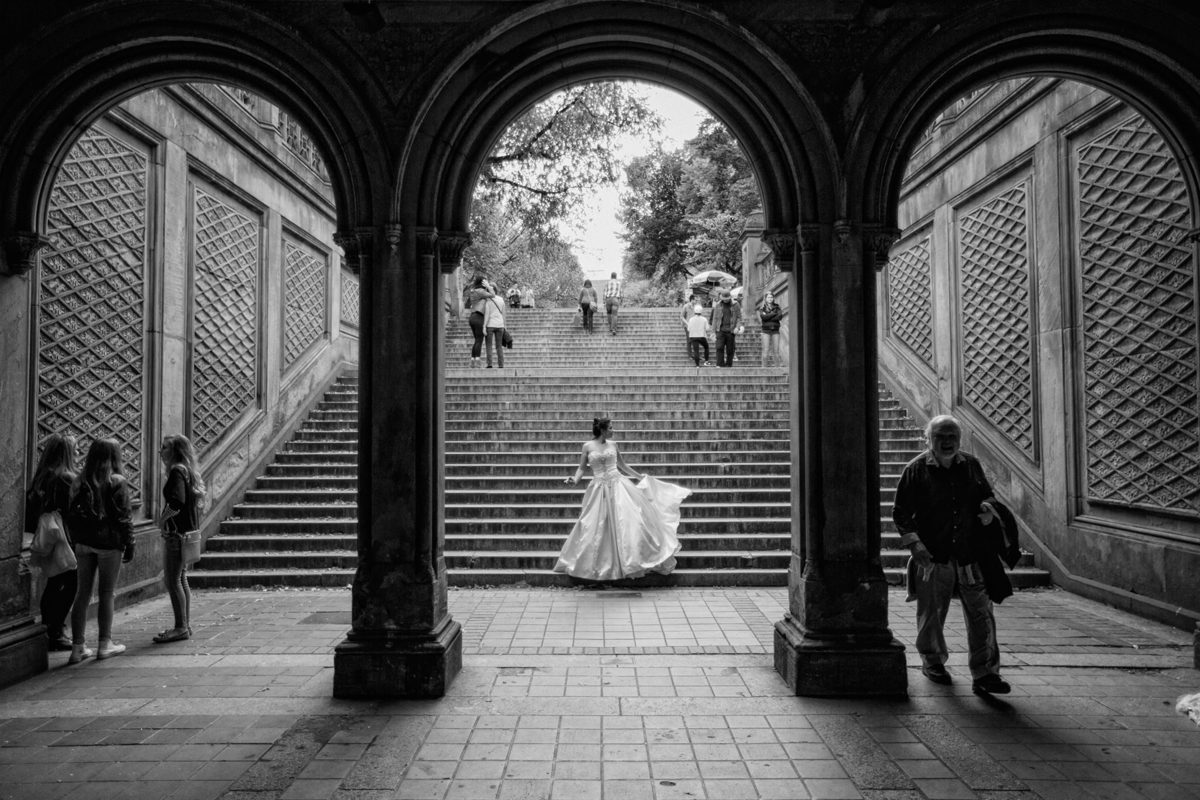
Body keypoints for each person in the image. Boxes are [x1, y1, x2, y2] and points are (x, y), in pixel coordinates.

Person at [892, 415, 1011, 695]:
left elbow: (988, 496)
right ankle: (932, 661)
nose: (947, 442)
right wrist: (914, 544)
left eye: (952, 437)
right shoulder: (916, 469)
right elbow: (900, 512)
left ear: (959, 439)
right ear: (928, 439)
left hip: (970, 553)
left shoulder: (971, 465)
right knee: (932, 612)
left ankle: (985, 673)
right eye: (940, 437)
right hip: (934, 555)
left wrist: (987, 509)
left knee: (982, 614)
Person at [555, 417, 691, 581]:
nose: (613, 430)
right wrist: (574, 480)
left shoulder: (613, 444)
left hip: (619, 486)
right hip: (598, 488)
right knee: (592, 524)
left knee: (629, 522)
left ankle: (630, 561)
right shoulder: (587, 446)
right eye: (611, 428)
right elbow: (581, 469)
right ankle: (596, 565)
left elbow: (623, 466)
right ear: (603, 430)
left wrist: (639, 477)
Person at [65, 438, 134, 663]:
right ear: (114, 456)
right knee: (106, 593)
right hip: (109, 545)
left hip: (83, 544)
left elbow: (70, 515)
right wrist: (129, 543)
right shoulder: (117, 481)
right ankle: (105, 644)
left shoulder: (78, 481)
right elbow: (124, 517)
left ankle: (77, 648)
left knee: (82, 594)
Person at [25, 433, 78, 651]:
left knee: (54, 582)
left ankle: (50, 628)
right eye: (74, 449)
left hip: (48, 538)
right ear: (65, 453)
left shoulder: (42, 476)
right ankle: (56, 631)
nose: (77, 453)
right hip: (64, 538)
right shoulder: (66, 477)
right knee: (69, 584)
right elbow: (73, 510)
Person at [155, 435, 208, 644]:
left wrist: (162, 519)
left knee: (172, 579)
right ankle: (185, 624)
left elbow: (176, 502)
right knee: (181, 577)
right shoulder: (187, 470)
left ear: (175, 450)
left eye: (165, 447)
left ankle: (180, 627)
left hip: (176, 535)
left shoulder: (177, 470)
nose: (161, 451)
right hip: (187, 533)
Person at [464, 276, 495, 368]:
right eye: (485, 282)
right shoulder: (481, 291)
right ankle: (477, 361)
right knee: (479, 340)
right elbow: (493, 295)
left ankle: (473, 360)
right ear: (482, 283)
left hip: (472, 317)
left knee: (476, 340)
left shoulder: (474, 291)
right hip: (479, 317)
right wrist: (488, 286)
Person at [710, 288, 742, 367]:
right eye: (724, 299)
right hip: (720, 330)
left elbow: (739, 317)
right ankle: (720, 364)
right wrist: (713, 332)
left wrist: (737, 327)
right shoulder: (718, 305)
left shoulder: (736, 304)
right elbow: (715, 319)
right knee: (719, 347)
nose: (726, 300)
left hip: (731, 330)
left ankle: (728, 364)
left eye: (727, 299)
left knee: (730, 349)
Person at [759, 291, 782, 367]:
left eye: (771, 297)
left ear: (773, 298)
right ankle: (764, 369)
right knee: (765, 351)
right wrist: (773, 314)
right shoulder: (762, 308)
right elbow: (763, 317)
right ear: (765, 298)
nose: (770, 299)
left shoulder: (777, 307)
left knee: (776, 351)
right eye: (768, 297)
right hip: (765, 331)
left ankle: (778, 369)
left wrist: (768, 315)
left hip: (775, 331)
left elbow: (779, 317)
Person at [483, 290, 506, 368]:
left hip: (490, 325)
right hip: (500, 325)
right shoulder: (501, 300)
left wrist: (484, 326)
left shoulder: (488, 301)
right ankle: (501, 364)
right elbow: (503, 314)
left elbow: (487, 314)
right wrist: (504, 326)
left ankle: (489, 364)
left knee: (489, 345)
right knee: (499, 346)